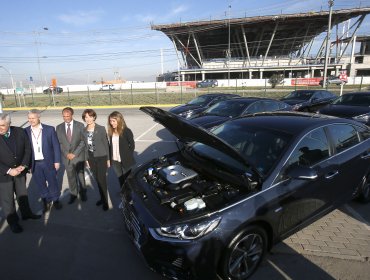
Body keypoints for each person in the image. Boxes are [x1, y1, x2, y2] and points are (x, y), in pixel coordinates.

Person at [0, 113, 41, 233]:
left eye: (2, 125)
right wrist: (8, 170)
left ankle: (26, 214)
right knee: (8, 200)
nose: (0, 128)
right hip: (4, 175)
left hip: (20, 171)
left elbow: (28, 149)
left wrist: (24, 165)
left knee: (22, 195)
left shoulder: (20, 131)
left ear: (9, 124)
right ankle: (13, 222)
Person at [25, 109, 62, 213]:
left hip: (48, 161)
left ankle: (56, 200)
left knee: (52, 182)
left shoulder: (49, 129)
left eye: (33, 118)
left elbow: (56, 146)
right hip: (34, 164)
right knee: (40, 183)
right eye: (29, 118)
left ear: (38, 117)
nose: (31, 120)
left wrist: (57, 161)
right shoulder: (25, 131)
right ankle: (46, 201)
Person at [56, 107, 87, 204]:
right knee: (71, 177)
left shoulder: (80, 125)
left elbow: (83, 141)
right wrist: (66, 154)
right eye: (64, 116)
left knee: (80, 176)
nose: (66, 118)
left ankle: (83, 193)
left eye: (67, 116)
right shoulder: (59, 127)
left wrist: (74, 153)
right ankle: (73, 194)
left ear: (72, 115)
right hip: (66, 158)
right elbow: (59, 143)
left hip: (78, 156)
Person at [82, 109, 110, 211]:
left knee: (102, 180)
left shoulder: (101, 128)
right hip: (91, 157)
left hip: (102, 157)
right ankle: (102, 199)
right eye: (86, 117)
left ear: (94, 117)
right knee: (97, 179)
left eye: (90, 116)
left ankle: (105, 201)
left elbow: (106, 144)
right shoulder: (83, 131)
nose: (88, 119)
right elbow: (84, 146)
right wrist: (86, 159)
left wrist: (108, 159)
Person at [107, 111, 135, 188]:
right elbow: (111, 146)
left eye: (113, 121)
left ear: (119, 120)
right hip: (115, 160)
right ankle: (123, 192)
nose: (111, 123)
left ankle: (130, 194)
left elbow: (132, 145)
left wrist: (128, 156)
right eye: (110, 121)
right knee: (120, 178)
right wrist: (109, 158)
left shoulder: (126, 131)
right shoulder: (111, 131)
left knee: (128, 179)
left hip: (125, 159)